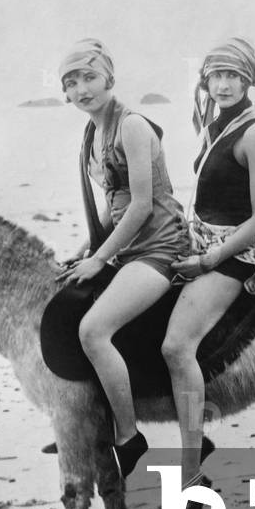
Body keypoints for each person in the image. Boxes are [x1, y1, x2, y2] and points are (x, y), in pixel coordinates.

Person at [160, 37, 255, 509]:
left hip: (236, 253)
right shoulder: (215, 125)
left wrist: (208, 260)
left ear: (248, 80)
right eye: (215, 75)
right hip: (200, 239)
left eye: (232, 76)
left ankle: (191, 475)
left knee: (177, 347)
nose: (222, 83)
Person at [54, 39, 190, 478]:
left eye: (89, 77)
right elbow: (110, 204)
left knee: (93, 330)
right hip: (126, 247)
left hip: (159, 248)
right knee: (62, 302)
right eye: (71, 82)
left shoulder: (131, 126)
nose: (82, 89)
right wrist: (87, 251)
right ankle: (92, 415)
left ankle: (129, 438)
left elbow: (142, 204)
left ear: (109, 78)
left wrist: (101, 258)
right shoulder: (91, 133)